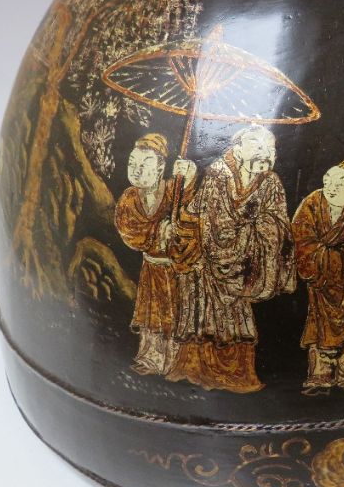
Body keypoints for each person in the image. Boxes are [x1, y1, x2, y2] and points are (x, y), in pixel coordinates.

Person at [172, 125, 296, 393]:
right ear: (237, 150)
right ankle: (200, 372)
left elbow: (279, 222)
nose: (263, 153)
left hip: (246, 266)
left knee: (236, 319)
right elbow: (214, 224)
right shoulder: (218, 174)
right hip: (208, 261)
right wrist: (245, 233)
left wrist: (260, 230)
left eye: (268, 148)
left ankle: (235, 374)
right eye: (256, 146)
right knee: (206, 316)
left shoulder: (271, 182)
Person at [113, 134, 201, 376]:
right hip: (151, 268)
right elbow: (129, 232)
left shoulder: (173, 189)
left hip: (175, 271)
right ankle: (151, 358)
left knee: (175, 315)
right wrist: (159, 231)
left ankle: (175, 360)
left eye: (145, 165)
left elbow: (192, 210)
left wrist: (189, 178)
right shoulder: (129, 199)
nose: (137, 170)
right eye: (132, 164)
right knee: (150, 315)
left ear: (161, 167)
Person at [291, 160, 344, 396]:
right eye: (329, 181)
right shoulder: (312, 203)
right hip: (321, 280)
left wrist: (343, 262)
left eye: (342, 182)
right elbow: (301, 237)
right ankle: (320, 377)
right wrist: (323, 260)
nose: (333, 187)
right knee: (320, 327)